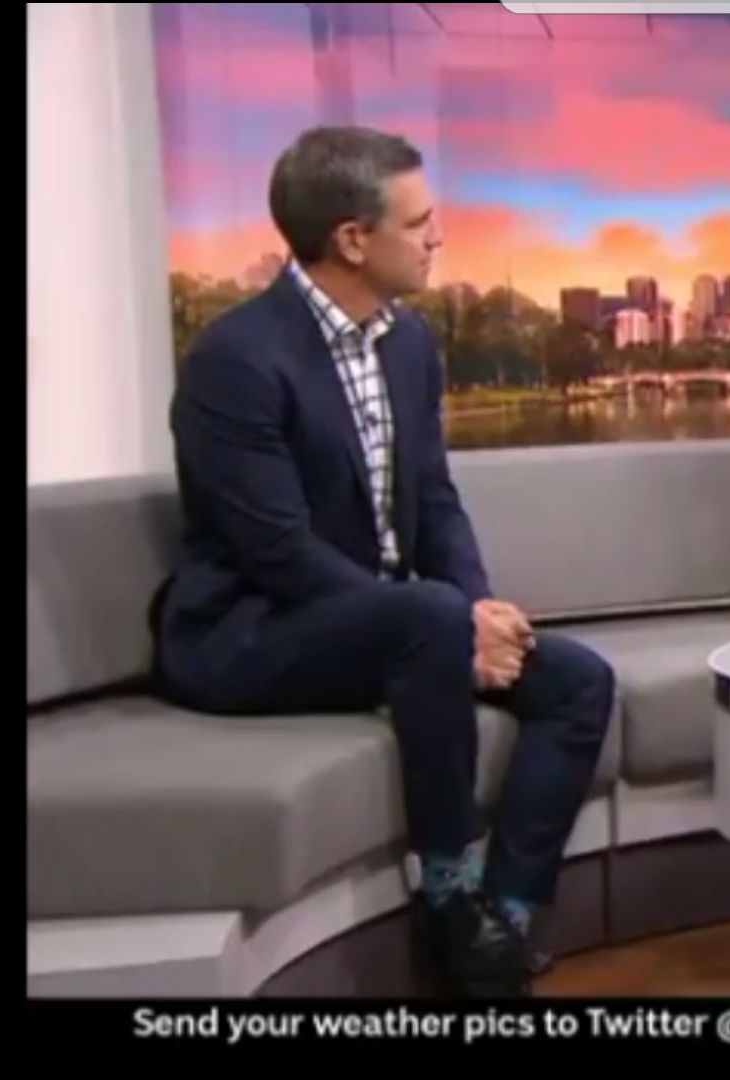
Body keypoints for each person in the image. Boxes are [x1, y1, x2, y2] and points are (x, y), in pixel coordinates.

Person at [149, 126, 615, 997]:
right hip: (251, 631)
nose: (439, 237)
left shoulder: (408, 344)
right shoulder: (235, 361)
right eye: (420, 221)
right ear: (353, 239)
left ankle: (506, 919)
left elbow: (432, 497)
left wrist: (477, 606)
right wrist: (445, 624)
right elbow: (278, 553)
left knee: (579, 682)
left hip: (399, 622)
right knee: (428, 617)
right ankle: (450, 901)